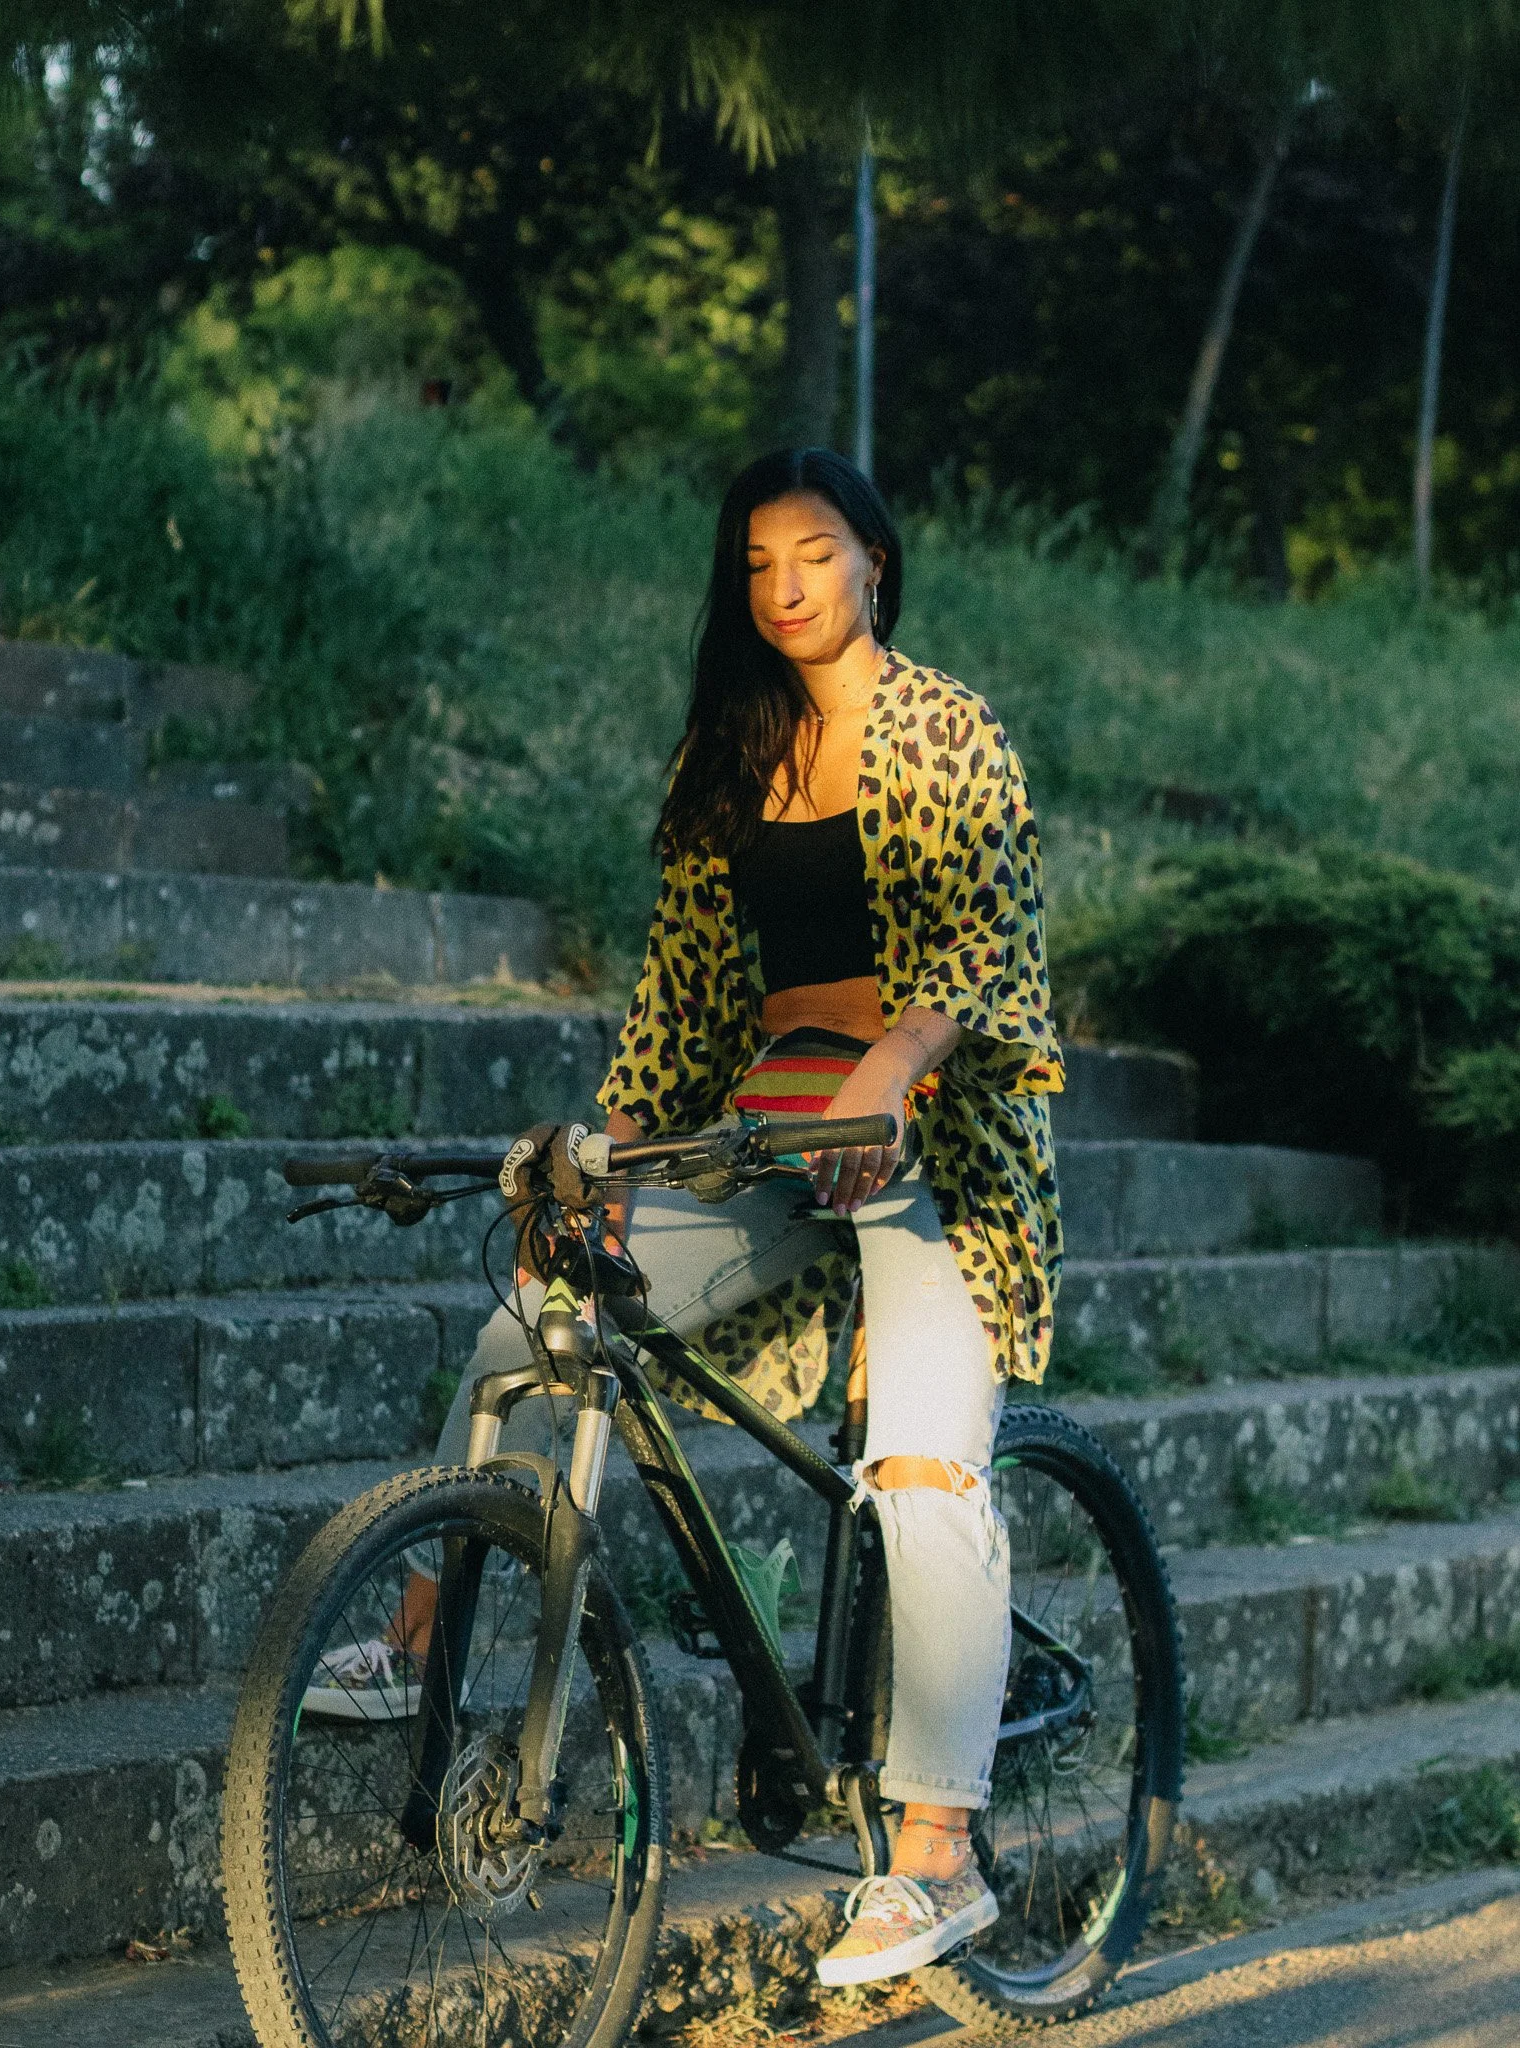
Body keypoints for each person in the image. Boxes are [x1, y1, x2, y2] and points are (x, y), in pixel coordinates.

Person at [430, 446, 1065, 1983]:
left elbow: (981, 949)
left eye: (814, 554)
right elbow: (685, 996)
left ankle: (936, 1857)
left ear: (874, 563)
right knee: (535, 1317)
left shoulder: (945, 729)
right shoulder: (731, 750)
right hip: (771, 1138)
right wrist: (600, 1146)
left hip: (937, 1155)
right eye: (757, 563)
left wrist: (896, 1070)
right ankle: (409, 1646)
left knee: (922, 1473)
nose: (784, 588)